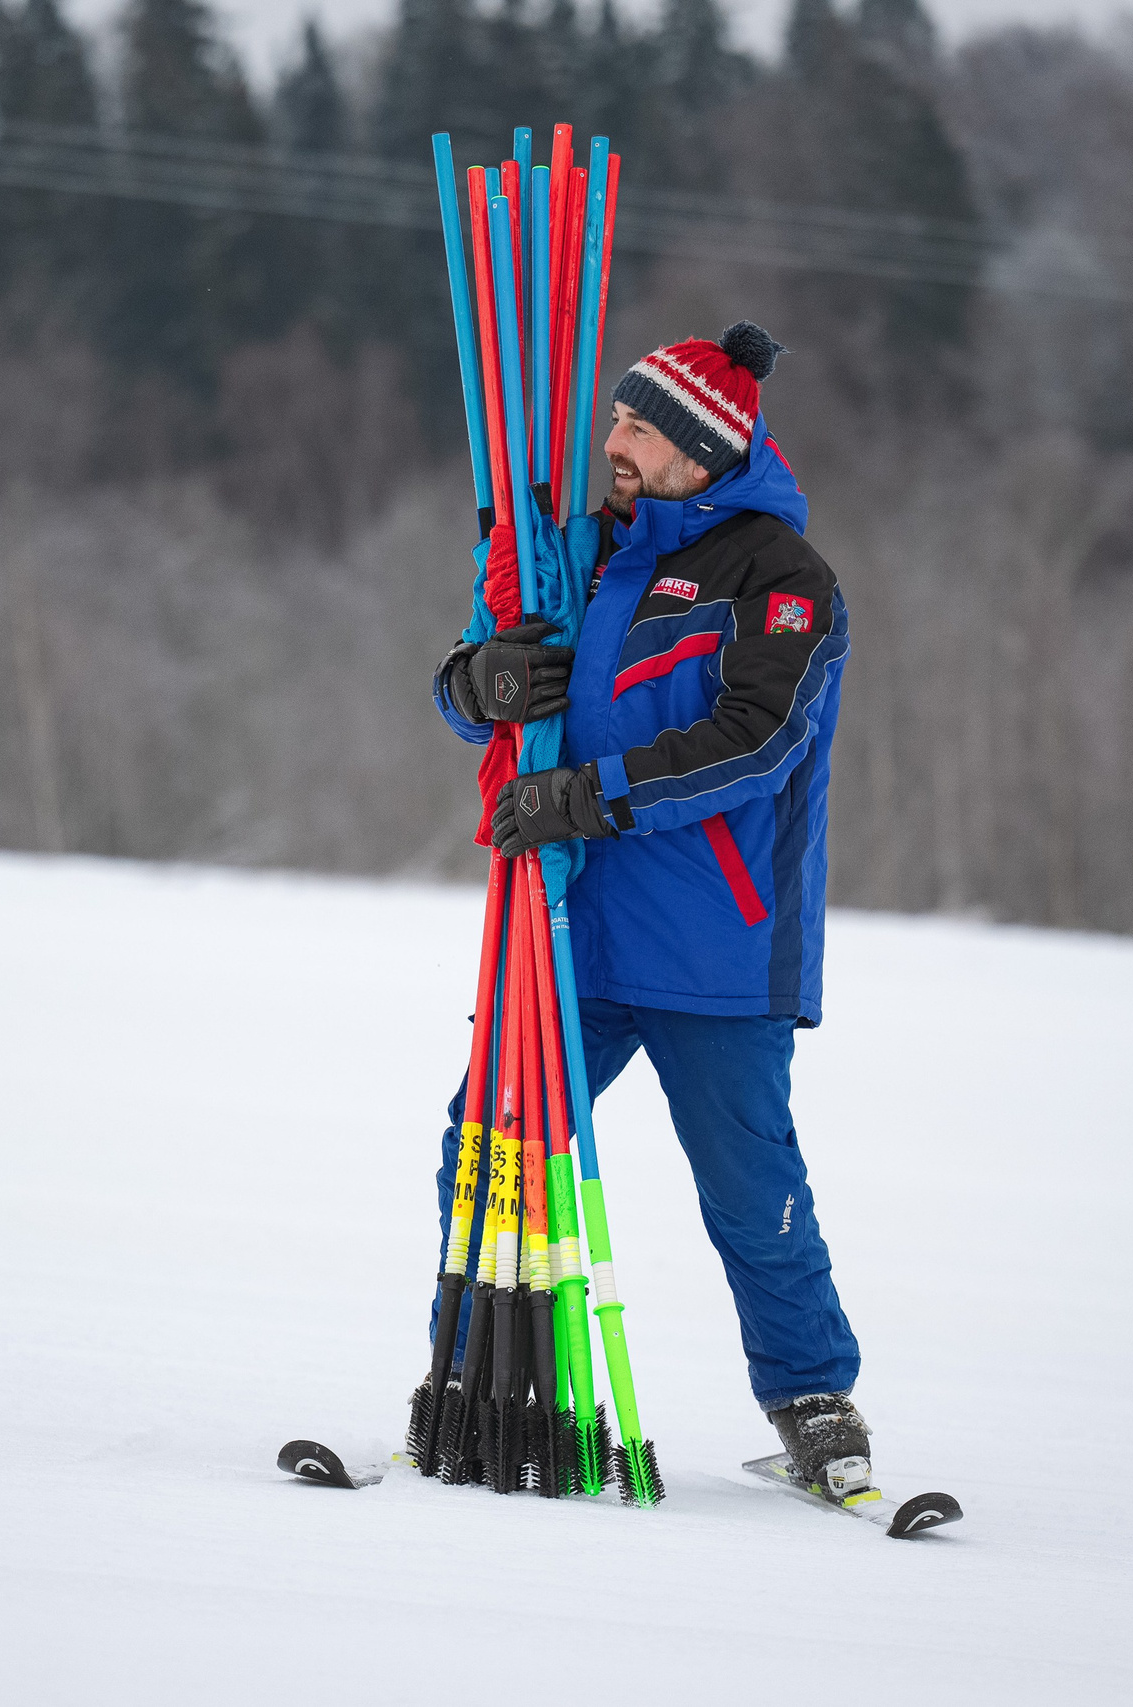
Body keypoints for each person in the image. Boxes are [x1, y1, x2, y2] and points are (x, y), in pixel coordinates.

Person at [430, 321, 871, 1500]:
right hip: (572, 927)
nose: (612, 442)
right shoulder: (580, 550)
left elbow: (757, 741)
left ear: (701, 449)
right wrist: (480, 685)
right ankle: (473, 1380)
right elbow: (480, 678)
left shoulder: (782, 577)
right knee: (489, 1148)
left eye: (638, 428)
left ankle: (814, 1404)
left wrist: (591, 795)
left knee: (749, 1188)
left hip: (720, 946)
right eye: (616, 419)